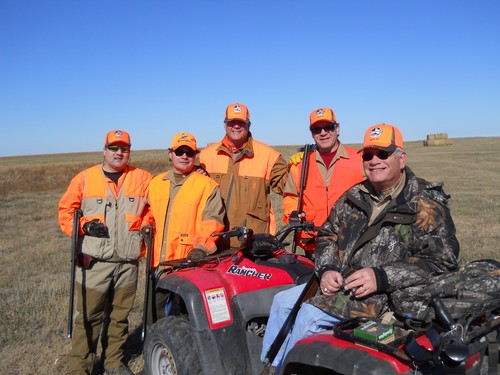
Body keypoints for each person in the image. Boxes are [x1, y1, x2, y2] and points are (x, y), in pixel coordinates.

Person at [261, 123, 460, 372]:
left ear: (401, 158)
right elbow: (327, 235)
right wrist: (327, 268)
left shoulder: (426, 203)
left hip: (386, 297)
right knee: (281, 302)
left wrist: (382, 277)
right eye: (368, 155)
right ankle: (273, 367)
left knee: (309, 315)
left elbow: (442, 260)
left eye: (383, 154)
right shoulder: (355, 194)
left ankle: (293, 368)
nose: (374, 160)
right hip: (340, 285)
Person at [58, 130, 153, 375]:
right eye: (114, 148)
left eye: (124, 148)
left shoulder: (143, 178)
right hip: (94, 264)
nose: (119, 153)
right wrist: (83, 226)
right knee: (88, 318)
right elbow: (66, 213)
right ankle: (80, 368)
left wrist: (146, 223)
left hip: (127, 263)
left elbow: (152, 209)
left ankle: (113, 363)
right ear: (104, 150)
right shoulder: (85, 178)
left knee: (119, 318)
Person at [199, 103, 288, 247]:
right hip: (214, 242)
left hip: (253, 243)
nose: (236, 126)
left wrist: (300, 165)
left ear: (249, 125)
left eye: (241, 122)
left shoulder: (269, 156)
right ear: (224, 125)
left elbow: (290, 187)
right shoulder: (206, 155)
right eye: (231, 122)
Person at [282, 107, 364, 252]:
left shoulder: (359, 160)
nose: (323, 133)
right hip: (313, 242)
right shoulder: (301, 164)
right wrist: (293, 213)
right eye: (317, 129)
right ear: (312, 134)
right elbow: (291, 196)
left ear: (337, 129)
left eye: (328, 127)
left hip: (350, 242)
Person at [147, 132, 226, 266]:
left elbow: (213, 223)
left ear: (195, 155)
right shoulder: (156, 183)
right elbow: (149, 212)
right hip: (156, 263)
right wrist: (145, 225)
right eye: (179, 152)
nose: (184, 156)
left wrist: (200, 248)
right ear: (170, 154)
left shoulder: (207, 186)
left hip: (188, 263)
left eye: (189, 152)